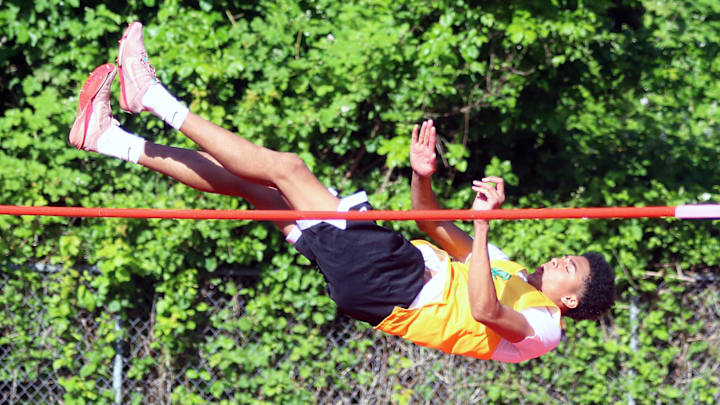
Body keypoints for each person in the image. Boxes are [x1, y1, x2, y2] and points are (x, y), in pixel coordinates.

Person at [68, 22, 615, 362]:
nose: (561, 259)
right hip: (388, 276)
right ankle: (109, 138)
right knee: (255, 189)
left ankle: (153, 96)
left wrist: (482, 223)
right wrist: (422, 175)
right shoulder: (511, 270)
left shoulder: (543, 327)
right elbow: (430, 223)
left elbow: (481, 307)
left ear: (571, 299)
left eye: (571, 267)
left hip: (395, 284)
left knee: (286, 168)